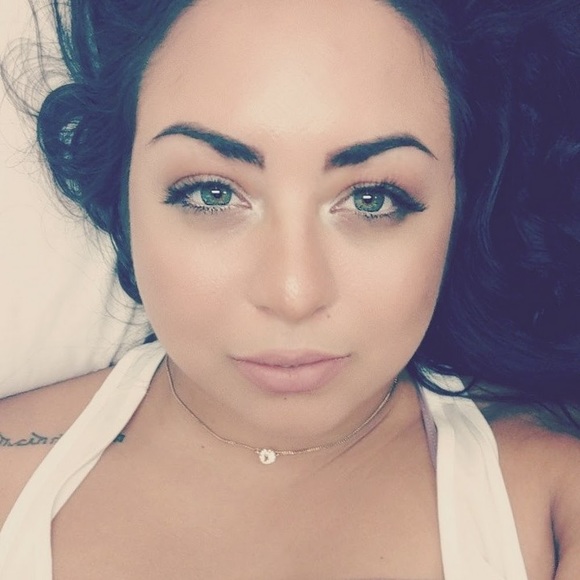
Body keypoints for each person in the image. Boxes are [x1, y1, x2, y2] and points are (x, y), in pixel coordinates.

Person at [0, 0, 579, 578]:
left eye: (372, 198)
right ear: (122, 198)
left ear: (459, 207)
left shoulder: (554, 508)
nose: (294, 293)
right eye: (212, 193)